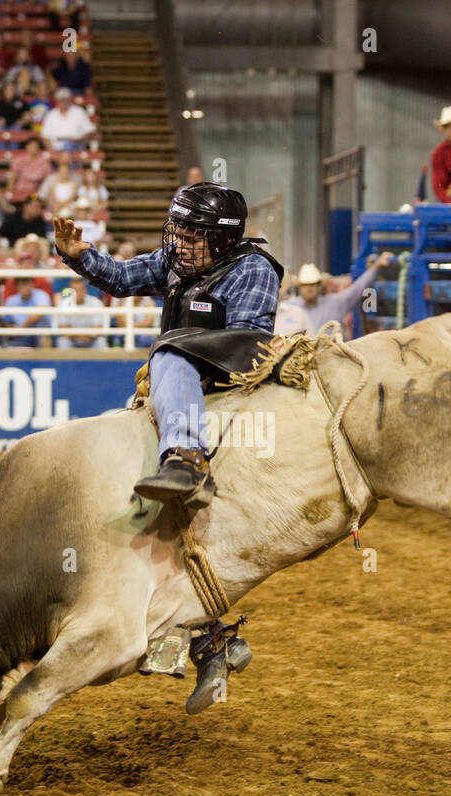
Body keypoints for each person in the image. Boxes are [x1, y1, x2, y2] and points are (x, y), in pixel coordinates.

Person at [53, 180, 282, 714]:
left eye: (190, 233)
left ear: (222, 240)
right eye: (175, 228)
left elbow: (248, 343)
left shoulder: (254, 271)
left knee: (169, 354)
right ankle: (209, 641)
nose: (177, 241)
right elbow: (125, 276)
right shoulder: (181, 262)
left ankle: (184, 458)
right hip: (178, 392)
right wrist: (80, 255)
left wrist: (181, 347)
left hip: (227, 391)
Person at [279, 254, 394, 337]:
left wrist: (375, 268)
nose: (309, 288)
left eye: (313, 284)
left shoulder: (334, 303)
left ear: (320, 286)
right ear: (300, 287)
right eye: (305, 285)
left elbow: (356, 290)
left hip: (330, 358)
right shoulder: (290, 307)